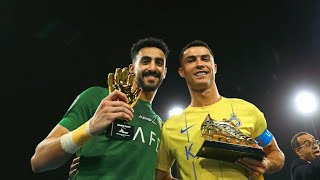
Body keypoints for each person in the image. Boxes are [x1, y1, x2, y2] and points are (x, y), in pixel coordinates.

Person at [31, 37, 170, 180]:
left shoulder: (160, 125)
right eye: (145, 61)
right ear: (132, 69)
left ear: (164, 72)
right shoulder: (97, 97)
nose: (153, 68)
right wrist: (89, 128)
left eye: (159, 63)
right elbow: (39, 161)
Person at [155, 40, 285, 180]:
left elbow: (275, 152)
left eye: (205, 59)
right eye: (191, 60)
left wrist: (267, 163)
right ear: (182, 72)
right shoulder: (170, 127)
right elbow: (161, 177)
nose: (199, 64)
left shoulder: (247, 109)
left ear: (214, 67)